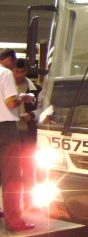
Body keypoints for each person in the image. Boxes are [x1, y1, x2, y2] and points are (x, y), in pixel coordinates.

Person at [0, 48, 35, 232]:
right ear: (10, 61)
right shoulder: (5, 73)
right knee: (11, 176)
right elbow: (11, 102)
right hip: (5, 128)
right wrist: (23, 96)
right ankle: (13, 221)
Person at [13, 58, 41, 209]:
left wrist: (32, 115)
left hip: (27, 131)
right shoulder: (5, 86)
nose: (18, 74)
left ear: (26, 71)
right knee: (11, 168)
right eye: (16, 71)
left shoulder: (35, 88)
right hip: (9, 132)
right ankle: (14, 202)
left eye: (22, 71)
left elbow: (43, 107)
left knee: (28, 167)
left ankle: (29, 201)